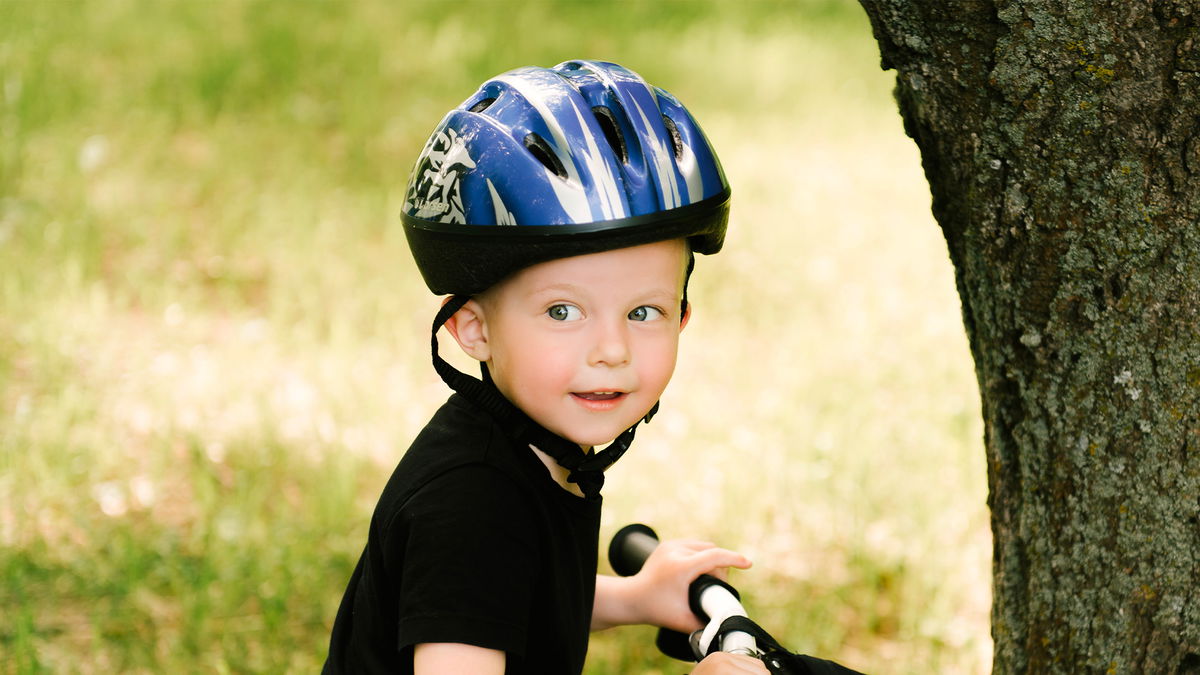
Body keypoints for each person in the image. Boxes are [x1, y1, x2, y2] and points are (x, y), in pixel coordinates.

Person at [324, 60, 768, 675]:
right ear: (472, 327)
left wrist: (634, 598)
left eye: (644, 311)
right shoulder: (471, 505)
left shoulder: (526, 453)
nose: (610, 348)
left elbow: (505, 600)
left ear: (683, 318)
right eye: (563, 311)